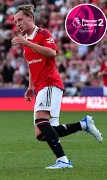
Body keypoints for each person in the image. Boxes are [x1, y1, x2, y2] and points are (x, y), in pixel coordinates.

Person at [12, 4, 103, 169]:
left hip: (50, 83)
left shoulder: (43, 34)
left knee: (41, 121)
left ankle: (63, 160)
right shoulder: (26, 43)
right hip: (40, 87)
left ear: (30, 18)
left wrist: (28, 43)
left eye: (20, 19)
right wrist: (30, 86)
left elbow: (52, 53)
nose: (18, 24)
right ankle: (84, 124)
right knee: (42, 133)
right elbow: (32, 66)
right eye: (15, 21)